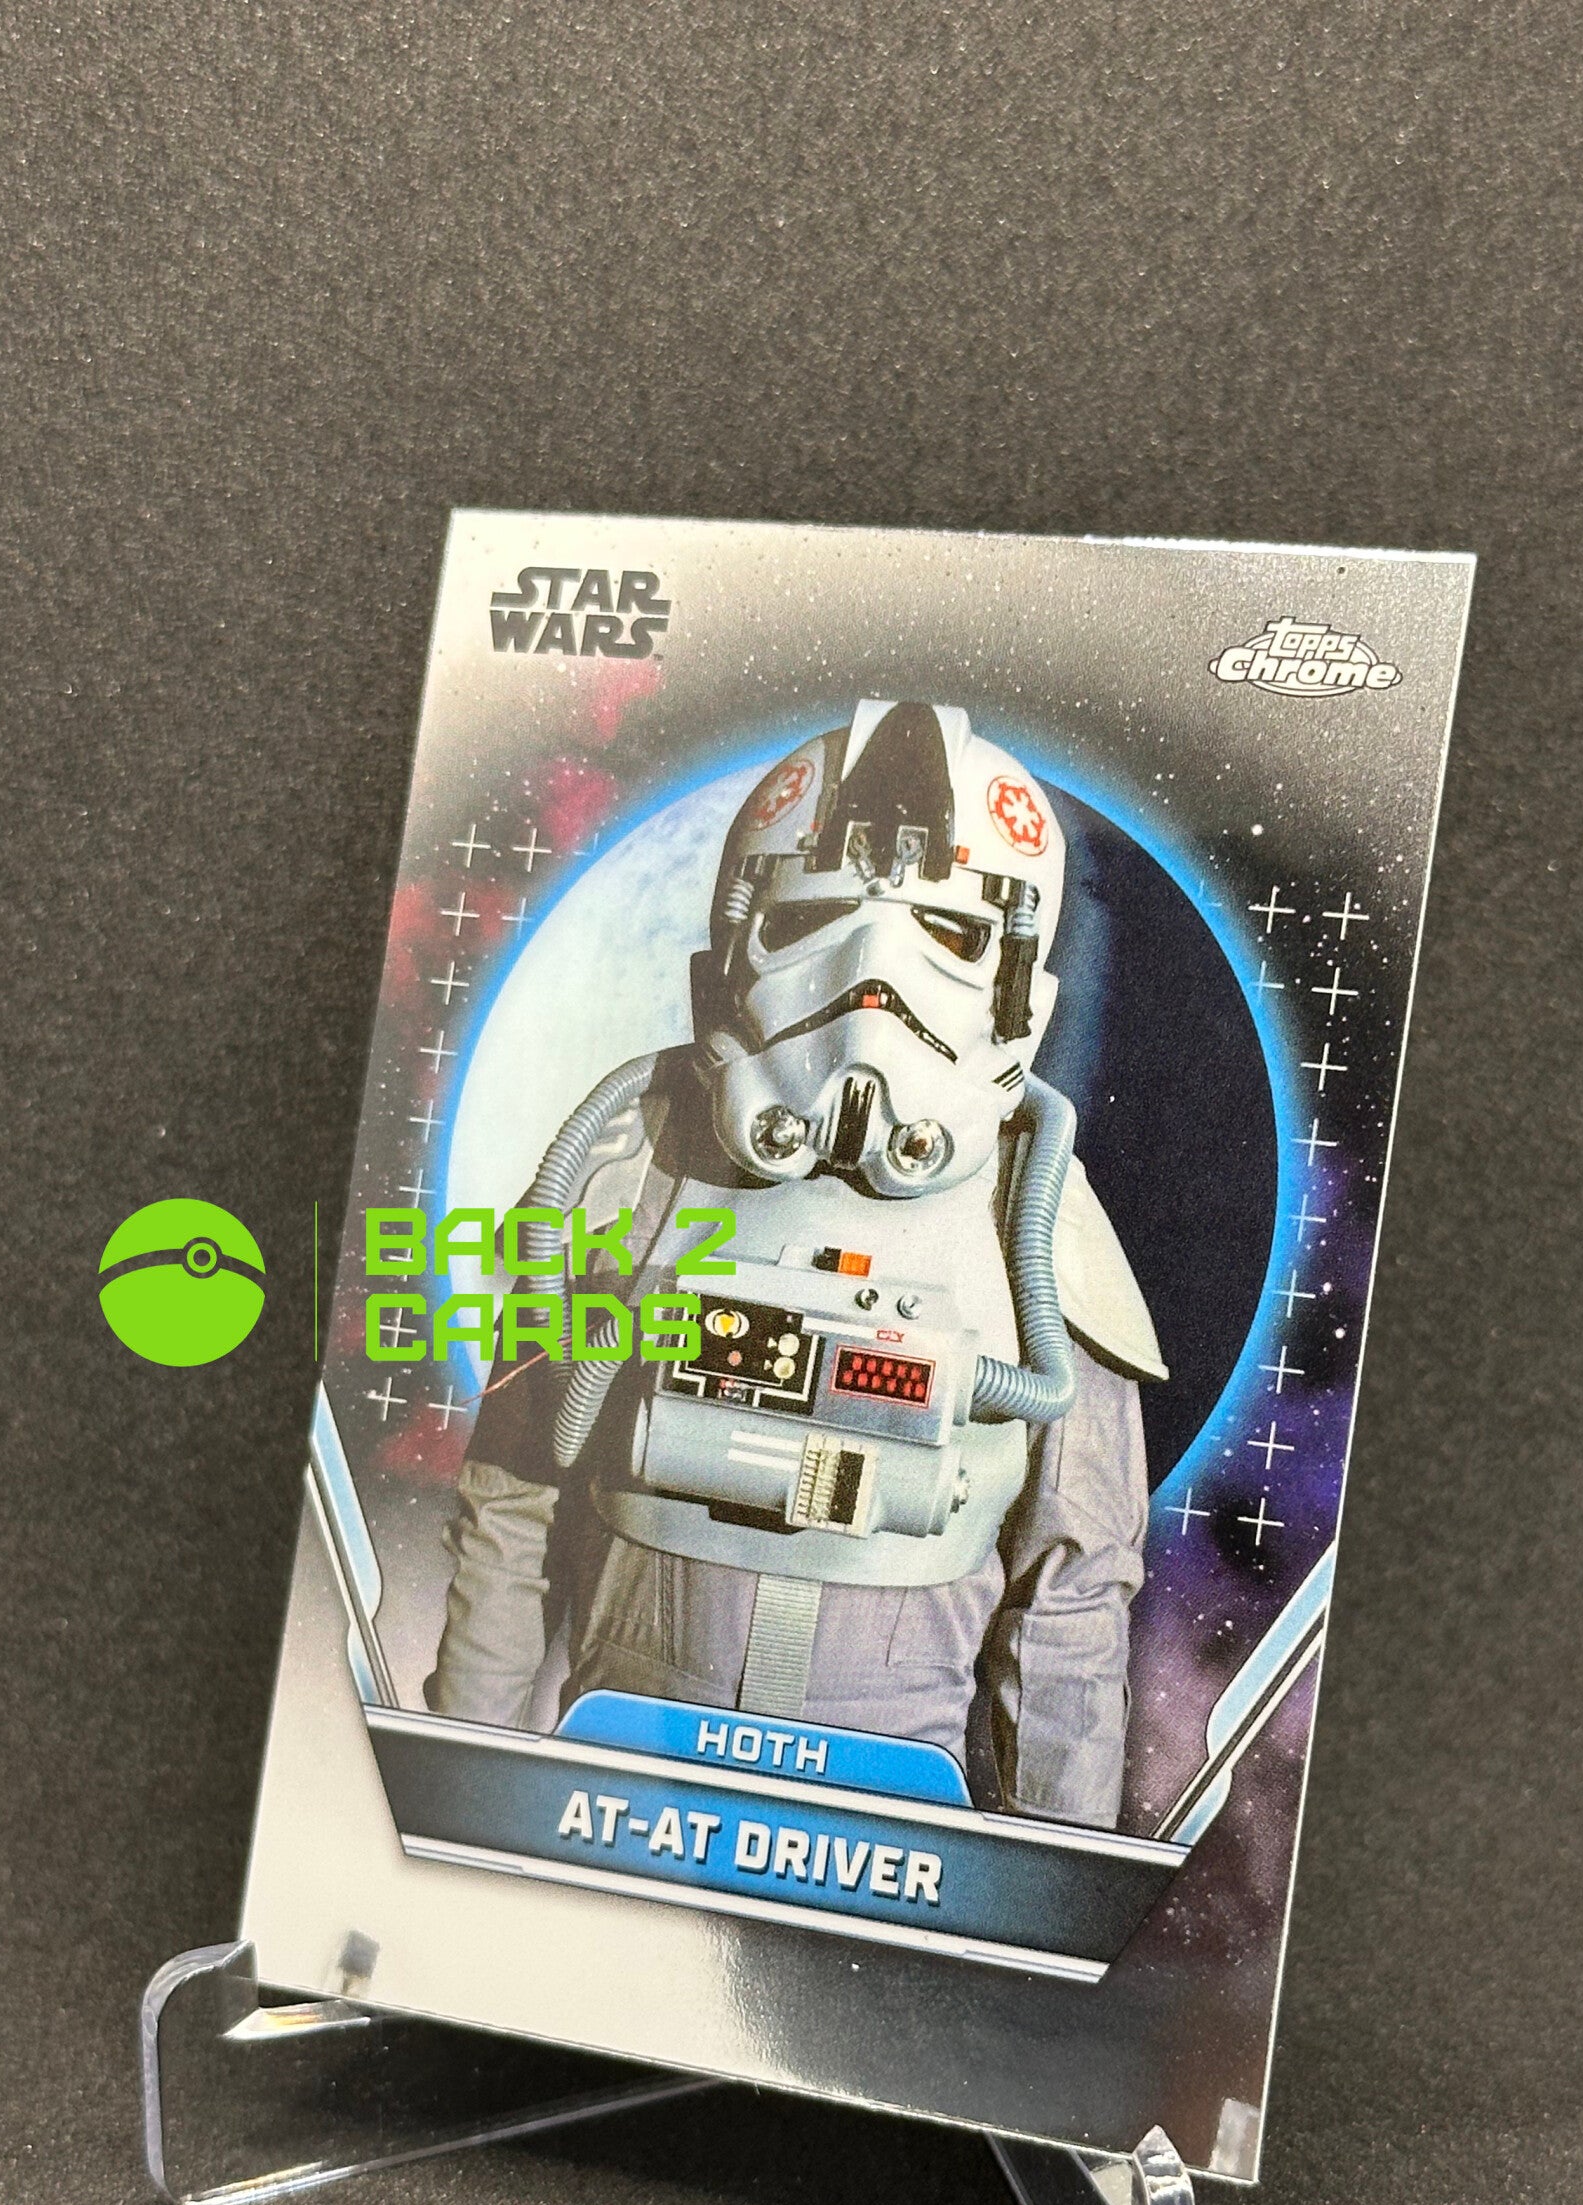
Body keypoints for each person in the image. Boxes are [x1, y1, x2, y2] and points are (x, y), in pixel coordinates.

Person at [427, 700, 1165, 1828]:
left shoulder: (1043, 1226)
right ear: (739, 934)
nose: (872, 982)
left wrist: (1051, 1879)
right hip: (622, 1791)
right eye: (816, 918)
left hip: (885, 1832)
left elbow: (1073, 1608)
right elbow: (513, 1506)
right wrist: (459, 1791)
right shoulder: (625, 1167)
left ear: (1019, 974)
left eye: (947, 930)